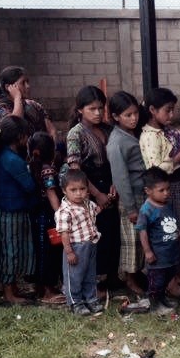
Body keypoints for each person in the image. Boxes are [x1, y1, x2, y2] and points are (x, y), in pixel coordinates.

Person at [139, 87, 180, 297]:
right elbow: (155, 167)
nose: (172, 115)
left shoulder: (164, 131)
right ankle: (171, 283)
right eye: (168, 110)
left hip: (178, 184)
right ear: (153, 110)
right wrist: (178, 158)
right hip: (167, 186)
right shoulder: (150, 136)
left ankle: (176, 278)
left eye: (173, 110)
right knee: (171, 233)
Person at [65, 86, 120, 291]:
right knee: (93, 233)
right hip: (89, 187)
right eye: (92, 109)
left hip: (112, 185)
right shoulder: (75, 134)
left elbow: (116, 160)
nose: (97, 113)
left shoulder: (108, 129)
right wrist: (96, 194)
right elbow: (75, 170)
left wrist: (116, 183)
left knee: (113, 233)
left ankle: (113, 276)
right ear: (80, 110)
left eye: (100, 108)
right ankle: (93, 281)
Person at [0, 115, 37, 306]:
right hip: (12, 211)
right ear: (19, 137)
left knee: (13, 249)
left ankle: (13, 289)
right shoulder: (12, 160)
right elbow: (29, 185)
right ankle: (9, 292)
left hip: (11, 209)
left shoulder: (5, 155)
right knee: (11, 251)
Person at [106, 90, 147, 297]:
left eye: (135, 113)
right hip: (130, 197)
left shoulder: (132, 133)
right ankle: (130, 279)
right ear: (115, 117)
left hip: (142, 192)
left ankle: (138, 274)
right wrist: (130, 207)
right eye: (127, 115)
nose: (133, 118)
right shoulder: (117, 142)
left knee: (141, 239)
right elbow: (120, 177)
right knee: (131, 240)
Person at [55, 169, 103, 316]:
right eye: (73, 190)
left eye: (82, 189)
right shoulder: (65, 211)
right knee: (74, 276)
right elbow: (64, 233)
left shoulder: (88, 204)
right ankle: (75, 302)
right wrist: (69, 252)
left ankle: (91, 298)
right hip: (75, 248)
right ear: (64, 191)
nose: (78, 193)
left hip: (90, 245)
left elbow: (97, 211)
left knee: (90, 274)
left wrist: (108, 201)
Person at [136, 167, 180, 311]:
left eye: (168, 189)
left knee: (167, 277)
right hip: (157, 255)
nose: (166, 193)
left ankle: (162, 299)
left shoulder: (166, 204)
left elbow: (171, 220)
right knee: (157, 280)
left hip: (170, 253)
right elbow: (142, 231)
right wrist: (148, 251)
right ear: (148, 191)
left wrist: (177, 230)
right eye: (161, 190)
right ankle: (155, 304)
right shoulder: (147, 210)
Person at [27, 131, 64, 304]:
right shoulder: (47, 169)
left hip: (37, 214)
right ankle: (47, 291)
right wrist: (60, 215)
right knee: (49, 252)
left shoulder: (31, 165)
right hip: (48, 215)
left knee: (41, 251)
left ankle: (42, 287)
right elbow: (51, 194)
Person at [0, 66, 57, 137]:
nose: (28, 86)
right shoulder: (0, 107)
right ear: (8, 87)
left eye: (27, 82)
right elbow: (15, 124)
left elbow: (52, 130)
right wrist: (17, 97)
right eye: (23, 83)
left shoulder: (33, 105)